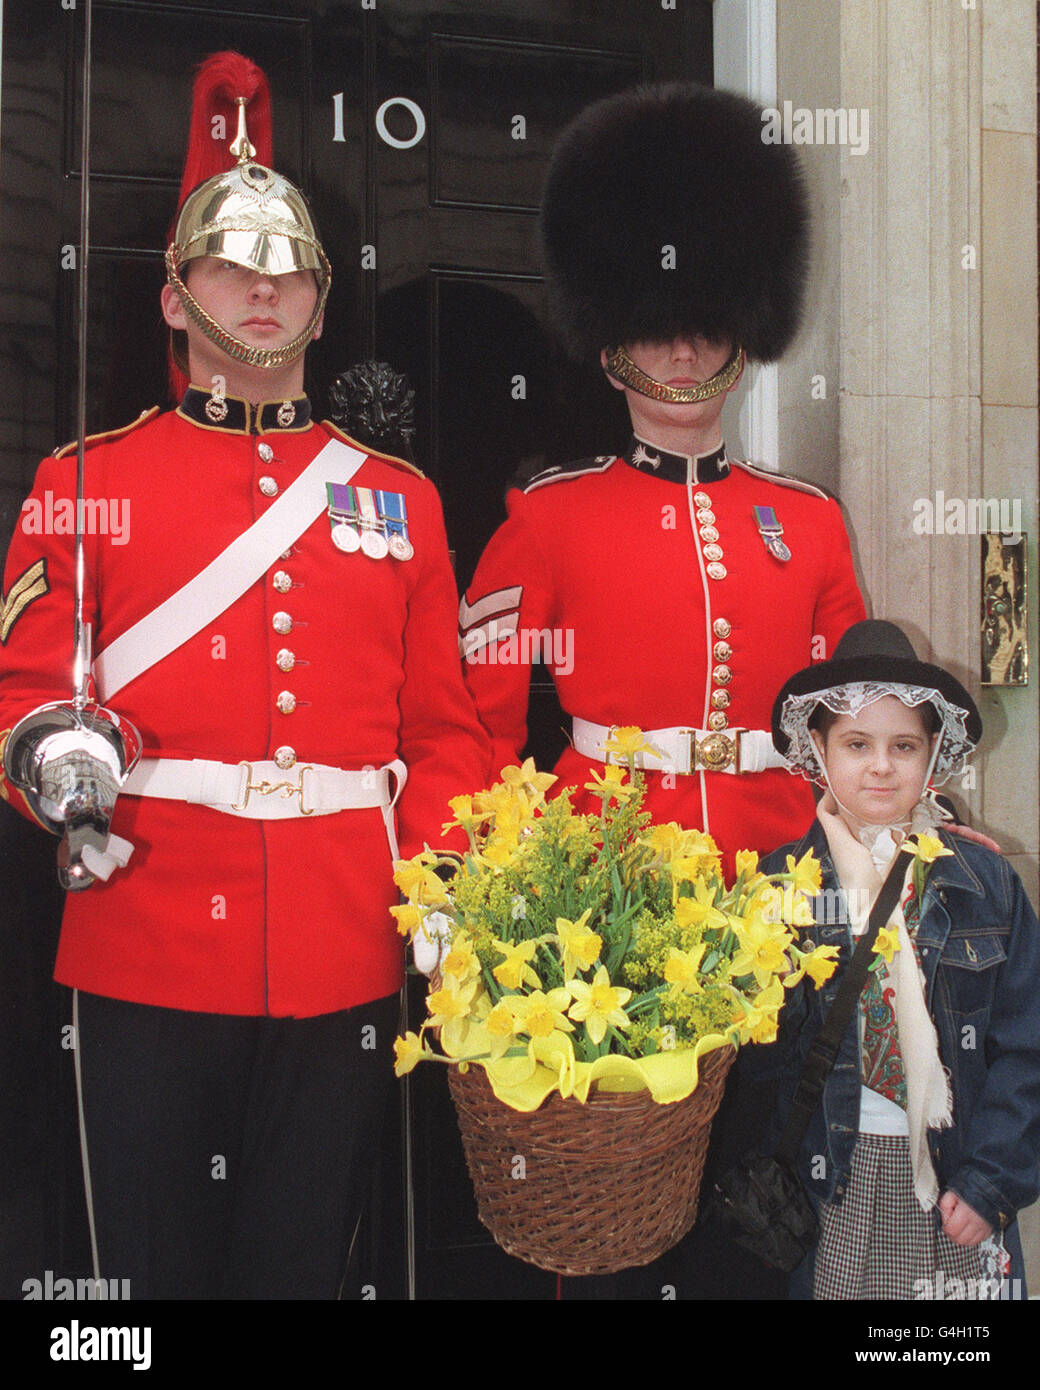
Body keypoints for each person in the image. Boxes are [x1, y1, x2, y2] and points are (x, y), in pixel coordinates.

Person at [0, 52, 489, 1299]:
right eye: (231, 268)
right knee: (145, 1275)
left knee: (307, 1264)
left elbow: (442, 729)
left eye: (289, 275)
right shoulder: (84, 482)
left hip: (343, 942)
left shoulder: (400, 500)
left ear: (323, 308)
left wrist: (435, 883)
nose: (261, 293)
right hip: (147, 931)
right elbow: (25, 689)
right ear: (175, 300)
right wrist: (62, 779)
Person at [460, 83, 866, 872]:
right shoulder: (549, 517)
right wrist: (493, 872)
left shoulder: (810, 520)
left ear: (741, 344)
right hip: (609, 868)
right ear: (613, 355)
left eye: (707, 329)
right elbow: (484, 723)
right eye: (654, 333)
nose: (683, 355)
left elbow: (853, 713)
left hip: (783, 862)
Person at [760, 619, 1040, 1299]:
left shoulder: (982, 882)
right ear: (819, 752)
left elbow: (1028, 1046)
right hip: (832, 1183)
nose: (881, 766)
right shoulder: (776, 890)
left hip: (952, 1184)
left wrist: (991, 1183)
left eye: (903, 746)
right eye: (857, 744)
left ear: (932, 755)